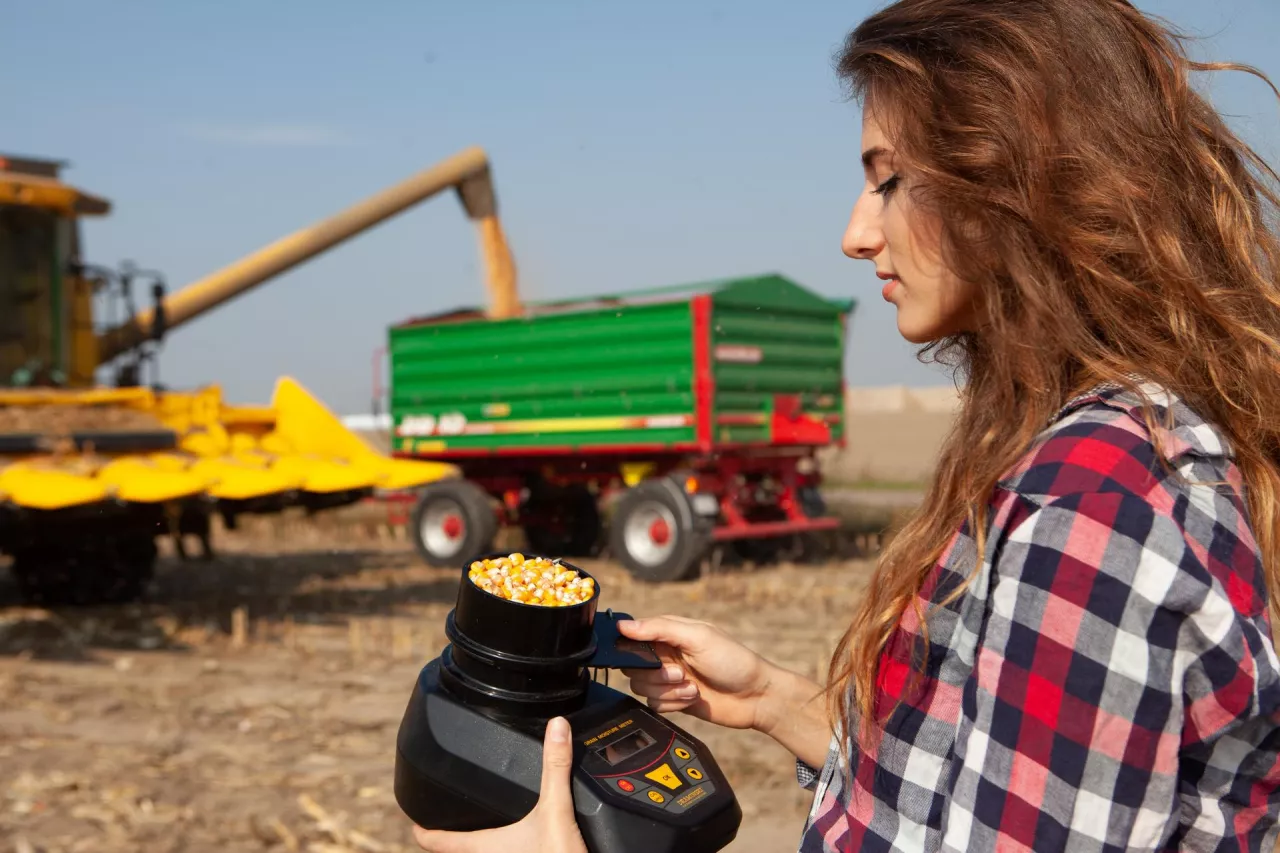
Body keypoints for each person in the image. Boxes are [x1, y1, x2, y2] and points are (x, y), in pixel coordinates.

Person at [412, 0, 1280, 850]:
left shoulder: (1093, 509)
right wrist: (775, 701)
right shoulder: (1110, 449)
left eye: (888, 177)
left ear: (1011, 177)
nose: (855, 233)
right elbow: (969, 790)